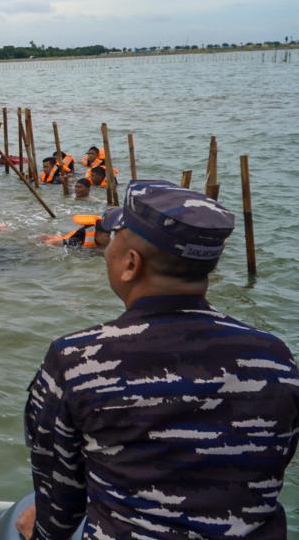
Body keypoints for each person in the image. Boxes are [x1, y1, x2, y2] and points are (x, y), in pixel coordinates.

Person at [16, 180, 299, 540]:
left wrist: (38, 533)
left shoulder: (76, 359)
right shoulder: (275, 356)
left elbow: (59, 496)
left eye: (114, 242)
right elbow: (277, 461)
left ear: (130, 263)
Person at [42, 208, 117, 249]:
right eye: (106, 236)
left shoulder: (104, 242)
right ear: (95, 235)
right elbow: (52, 242)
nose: (109, 239)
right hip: (59, 239)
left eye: (109, 236)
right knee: (45, 238)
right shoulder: (77, 242)